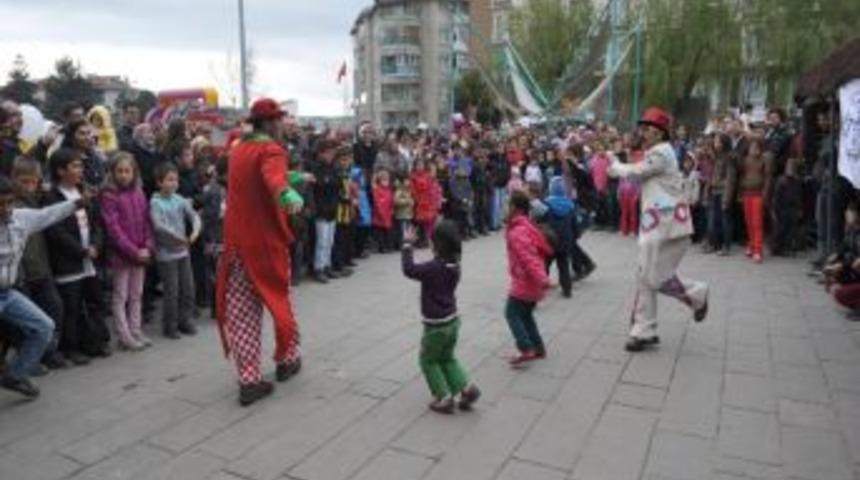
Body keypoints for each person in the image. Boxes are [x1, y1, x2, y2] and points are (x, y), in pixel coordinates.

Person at [215, 98, 307, 406]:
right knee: (279, 301)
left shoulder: (238, 149)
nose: (283, 125)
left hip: (236, 244)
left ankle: (249, 379)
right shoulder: (271, 149)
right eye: (279, 120)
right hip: (265, 243)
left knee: (241, 313)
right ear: (269, 123)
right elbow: (272, 178)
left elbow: (258, 179)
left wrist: (295, 178)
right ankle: (287, 359)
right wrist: (287, 194)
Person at [608, 107, 709, 352]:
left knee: (651, 277)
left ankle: (695, 296)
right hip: (660, 224)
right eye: (643, 128)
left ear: (661, 132)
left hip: (668, 226)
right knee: (647, 276)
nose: (644, 133)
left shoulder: (661, 152)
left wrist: (616, 165)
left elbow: (636, 171)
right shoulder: (658, 151)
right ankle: (645, 329)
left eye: (650, 129)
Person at [0, 175, 91, 398]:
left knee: (44, 327)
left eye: (9, 202)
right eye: (0, 205)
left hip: (8, 292)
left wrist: (77, 203)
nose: (5, 209)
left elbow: (47, 215)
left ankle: (16, 375)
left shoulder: (21, 219)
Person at [401, 220, 480, 414]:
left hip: (435, 326)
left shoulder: (433, 268)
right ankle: (467, 388)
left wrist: (407, 245)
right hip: (453, 321)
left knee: (428, 360)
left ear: (436, 245)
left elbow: (409, 269)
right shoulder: (455, 265)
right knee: (447, 358)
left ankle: (443, 397)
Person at [44, 148, 111, 364]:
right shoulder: (51, 197)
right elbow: (56, 232)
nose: (80, 170)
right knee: (72, 308)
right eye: (75, 166)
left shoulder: (84, 191)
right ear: (60, 171)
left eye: (81, 166)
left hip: (90, 259)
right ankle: (71, 347)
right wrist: (80, 251)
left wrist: (95, 245)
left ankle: (95, 342)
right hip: (69, 263)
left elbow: (96, 223)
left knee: (95, 302)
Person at [12, 158, 66, 369]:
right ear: (14, 178)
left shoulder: (38, 200)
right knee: (26, 321)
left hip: (42, 268)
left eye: (33, 182)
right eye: (24, 182)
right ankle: (29, 360)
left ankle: (48, 352)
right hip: (21, 274)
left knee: (55, 308)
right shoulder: (11, 205)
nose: (29, 187)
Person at [101, 152, 154, 350]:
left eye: (127, 171)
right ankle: (124, 335)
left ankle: (135, 330)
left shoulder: (139, 192)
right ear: (112, 173)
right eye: (120, 171)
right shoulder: (109, 196)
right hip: (122, 256)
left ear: (134, 172)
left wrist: (148, 246)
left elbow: (147, 222)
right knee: (120, 295)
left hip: (140, 253)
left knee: (136, 294)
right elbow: (113, 229)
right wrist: (133, 251)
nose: (124, 175)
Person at [150, 162, 201, 339]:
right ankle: (170, 325)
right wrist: (178, 238)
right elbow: (159, 226)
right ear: (159, 182)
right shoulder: (155, 203)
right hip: (166, 255)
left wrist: (194, 232)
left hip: (183, 252)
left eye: (176, 180)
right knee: (172, 291)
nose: (174, 183)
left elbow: (194, 216)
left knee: (188, 288)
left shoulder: (179, 199)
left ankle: (185, 320)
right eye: (170, 180)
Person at [504, 190, 553, 367]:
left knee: (511, 313)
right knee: (525, 315)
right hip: (530, 280)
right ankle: (538, 348)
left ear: (515, 208)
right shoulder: (525, 224)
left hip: (526, 281)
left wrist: (542, 279)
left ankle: (525, 348)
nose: (505, 208)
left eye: (508, 205)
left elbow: (529, 257)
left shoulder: (518, 231)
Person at [738, 137, 773, 263]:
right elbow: (741, 176)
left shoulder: (765, 160)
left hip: (758, 194)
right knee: (748, 222)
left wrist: (765, 194)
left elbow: (768, 178)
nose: (754, 150)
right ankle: (751, 245)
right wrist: (740, 193)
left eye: (756, 147)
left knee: (757, 223)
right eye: (752, 147)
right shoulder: (745, 160)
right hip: (746, 193)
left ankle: (758, 250)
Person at [310, 140, 340, 283]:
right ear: (321, 153)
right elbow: (320, 185)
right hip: (321, 209)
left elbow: (335, 184)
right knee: (321, 241)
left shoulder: (333, 168)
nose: (331, 155)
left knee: (330, 241)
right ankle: (318, 268)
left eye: (332, 153)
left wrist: (329, 182)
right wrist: (328, 182)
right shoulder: (316, 167)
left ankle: (327, 265)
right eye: (328, 153)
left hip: (332, 207)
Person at [542, 176, 576, 298]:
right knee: (564, 265)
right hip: (565, 240)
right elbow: (574, 224)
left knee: (545, 265)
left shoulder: (546, 203)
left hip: (550, 240)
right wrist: (574, 236)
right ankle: (567, 290)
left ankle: (541, 287)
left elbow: (542, 221)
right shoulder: (570, 205)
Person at [771, 157, 803, 256]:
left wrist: (799, 208)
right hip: (782, 207)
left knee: (791, 229)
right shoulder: (781, 181)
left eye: (792, 167)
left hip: (792, 207)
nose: (791, 169)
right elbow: (776, 196)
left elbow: (799, 195)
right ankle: (777, 248)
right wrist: (774, 209)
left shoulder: (797, 181)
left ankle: (786, 247)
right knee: (781, 229)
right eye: (789, 167)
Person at [372, 170, 395, 253]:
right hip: (379, 215)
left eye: (387, 180)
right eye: (383, 180)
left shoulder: (389, 190)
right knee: (380, 232)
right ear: (379, 180)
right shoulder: (377, 190)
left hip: (388, 214)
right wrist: (380, 213)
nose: (386, 182)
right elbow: (377, 203)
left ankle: (388, 246)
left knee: (387, 232)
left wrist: (392, 209)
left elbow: (391, 201)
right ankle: (382, 247)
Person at [393, 177, 415, 249]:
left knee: (408, 231)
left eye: (408, 181)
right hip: (401, 215)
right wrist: (406, 201)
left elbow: (411, 199)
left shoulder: (408, 190)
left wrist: (412, 202)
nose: (408, 182)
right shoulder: (399, 190)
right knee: (402, 231)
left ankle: (407, 244)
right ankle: (402, 245)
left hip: (408, 214)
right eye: (406, 181)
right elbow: (396, 201)